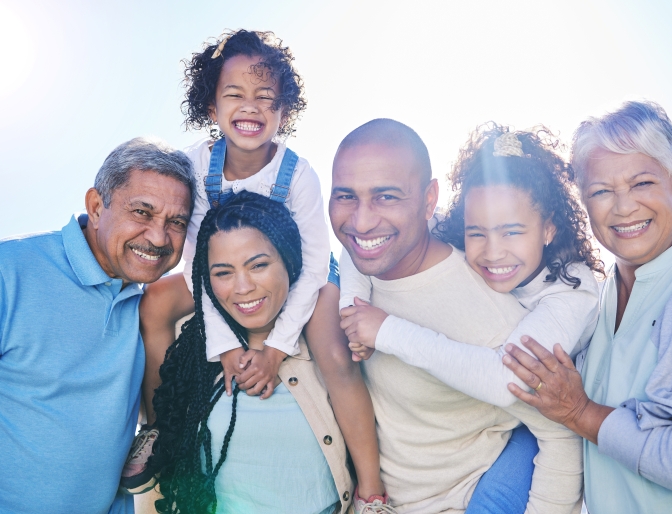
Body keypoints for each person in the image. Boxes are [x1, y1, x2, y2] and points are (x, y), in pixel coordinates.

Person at [130, 30, 384, 508]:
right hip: (221, 274)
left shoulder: (298, 173)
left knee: (331, 341)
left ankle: (370, 486)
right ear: (211, 108)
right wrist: (225, 345)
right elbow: (198, 262)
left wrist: (273, 347)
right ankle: (162, 430)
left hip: (298, 277)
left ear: (284, 112)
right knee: (157, 301)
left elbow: (312, 265)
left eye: (266, 99)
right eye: (235, 96)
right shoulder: (195, 167)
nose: (251, 107)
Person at [502, 100, 672, 514]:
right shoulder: (595, 296)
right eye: (601, 191)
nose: (623, 207)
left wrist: (581, 412)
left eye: (642, 183)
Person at [339, 124, 603, 512]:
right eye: (477, 233)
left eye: (512, 232)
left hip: (543, 410)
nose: (493, 253)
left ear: (548, 228)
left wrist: (386, 331)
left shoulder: (572, 288)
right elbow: (365, 241)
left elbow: (506, 380)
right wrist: (353, 302)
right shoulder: (453, 238)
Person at [0, 137, 194, 514]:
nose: (158, 237)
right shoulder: (10, 271)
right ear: (96, 206)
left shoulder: (151, 304)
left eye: (176, 222)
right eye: (141, 212)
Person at [148, 191, 353, 514]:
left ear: (290, 260)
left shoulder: (333, 345)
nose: (242, 287)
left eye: (258, 265)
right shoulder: (191, 360)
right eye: (223, 272)